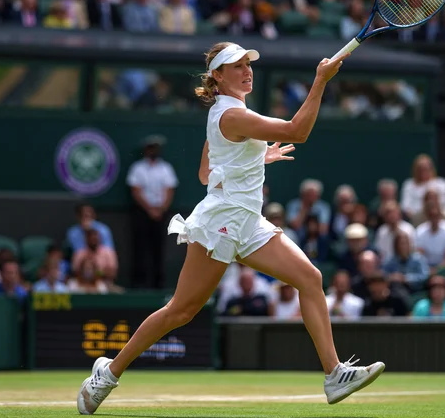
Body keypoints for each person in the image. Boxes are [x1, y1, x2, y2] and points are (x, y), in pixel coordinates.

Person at [77, 42, 384, 414]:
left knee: (310, 277)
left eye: (248, 64)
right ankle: (106, 374)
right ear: (218, 77)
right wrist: (320, 81)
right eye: (236, 66)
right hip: (222, 221)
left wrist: (257, 155)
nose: (246, 70)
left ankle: (334, 373)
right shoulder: (231, 115)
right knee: (181, 311)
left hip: (248, 221)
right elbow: (297, 130)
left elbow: (207, 172)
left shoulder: (233, 115)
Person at [126, 135, 178, 289]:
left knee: (159, 248)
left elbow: (169, 190)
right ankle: (139, 284)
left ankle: (158, 284)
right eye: (151, 147)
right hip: (142, 213)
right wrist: (149, 209)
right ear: (146, 149)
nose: (153, 151)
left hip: (161, 213)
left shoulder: (166, 168)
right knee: (140, 248)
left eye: (156, 148)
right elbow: (136, 190)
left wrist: (161, 209)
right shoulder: (137, 168)